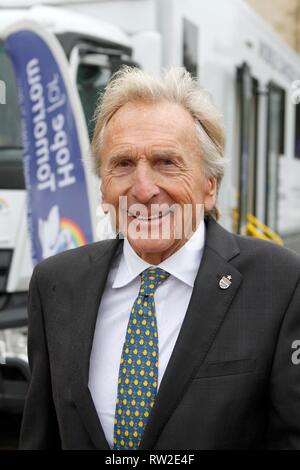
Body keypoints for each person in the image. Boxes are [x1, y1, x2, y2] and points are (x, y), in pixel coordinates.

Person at [20, 67, 300, 450]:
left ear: (209, 187)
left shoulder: (280, 284)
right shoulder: (56, 283)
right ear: (102, 185)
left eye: (167, 162)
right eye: (121, 164)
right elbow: (41, 434)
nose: (143, 189)